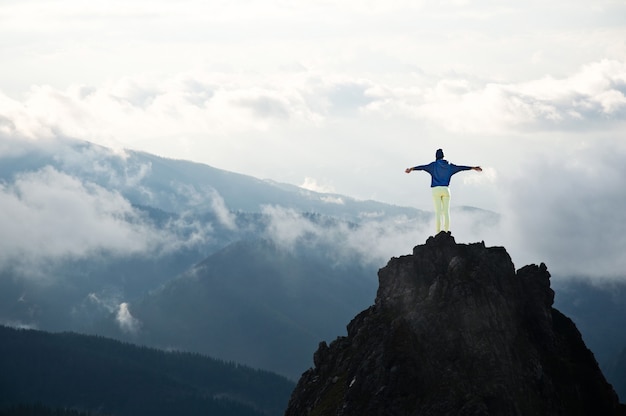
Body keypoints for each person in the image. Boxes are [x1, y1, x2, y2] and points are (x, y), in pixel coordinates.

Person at [405, 149, 482, 234]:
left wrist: (411, 169)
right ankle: (446, 232)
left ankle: (438, 233)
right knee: (446, 212)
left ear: (436, 157)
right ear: (443, 156)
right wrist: (473, 168)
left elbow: (422, 167)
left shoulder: (433, 165)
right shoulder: (449, 166)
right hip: (446, 190)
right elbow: (460, 168)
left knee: (438, 212)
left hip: (436, 190)